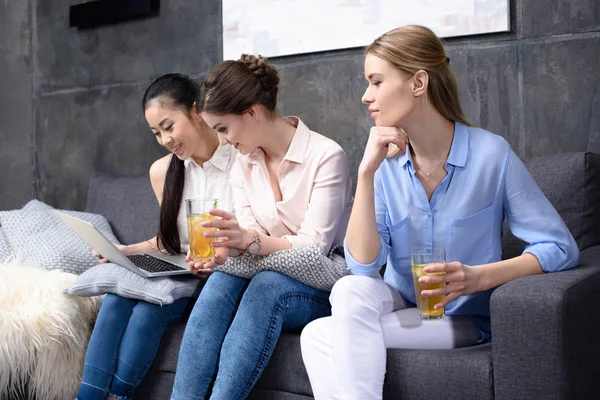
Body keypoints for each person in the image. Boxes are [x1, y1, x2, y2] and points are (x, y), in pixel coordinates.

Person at [300, 25, 579, 400]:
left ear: (418, 82)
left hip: (462, 319)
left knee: (320, 334)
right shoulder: (384, 167)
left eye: (376, 81)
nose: (366, 96)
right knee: (349, 288)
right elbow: (364, 267)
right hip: (401, 303)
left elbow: (560, 247)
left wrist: (478, 278)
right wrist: (365, 173)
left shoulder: (491, 155)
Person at [170, 54, 353, 400]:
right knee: (222, 281)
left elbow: (313, 252)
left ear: (252, 112)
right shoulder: (245, 163)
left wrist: (248, 242)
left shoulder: (326, 156)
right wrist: (229, 249)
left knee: (266, 286)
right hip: (269, 271)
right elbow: (253, 233)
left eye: (223, 128)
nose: (222, 141)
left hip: (324, 284)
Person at [76, 73, 237, 400]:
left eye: (168, 126)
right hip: (182, 268)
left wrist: (218, 257)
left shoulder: (241, 161)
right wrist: (125, 250)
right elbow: (168, 241)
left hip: (221, 276)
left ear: (195, 111)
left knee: (150, 308)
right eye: (156, 133)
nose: (164, 139)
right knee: (116, 299)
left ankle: (118, 396)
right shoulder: (165, 170)